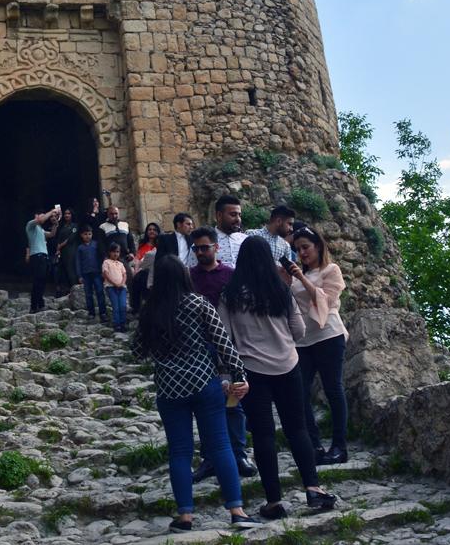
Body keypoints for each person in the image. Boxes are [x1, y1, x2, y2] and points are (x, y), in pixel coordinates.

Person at [131, 255, 258, 532]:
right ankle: (237, 511)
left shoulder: (150, 310)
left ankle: (185, 516)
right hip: (204, 383)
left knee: (179, 452)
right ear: (183, 276)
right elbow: (223, 342)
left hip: (169, 388)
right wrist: (239, 375)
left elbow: (137, 351)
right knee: (221, 446)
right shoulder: (198, 304)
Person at [218, 237, 337, 520]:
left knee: (263, 435)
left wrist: (226, 376)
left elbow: (224, 339)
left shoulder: (229, 295)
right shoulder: (281, 291)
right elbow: (298, 332)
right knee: (298, 429)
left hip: (252, 372)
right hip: (288, 366)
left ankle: (274, 502)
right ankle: (313, 488)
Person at [188, 227, 256, 481]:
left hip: (228, 345)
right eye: (196, 248)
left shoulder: (230, 275)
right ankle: (210, 458)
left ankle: (239, 453)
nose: (200, 252)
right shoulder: (190, 278)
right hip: (199, 348)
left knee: (234, 402)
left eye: (205, 247)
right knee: (206, 403)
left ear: (216, 247)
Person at [286, 227, 350, 465]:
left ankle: (339, 446)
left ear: (318, 246)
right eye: (298, 248)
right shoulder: (295, 277)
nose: (301, 252)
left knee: (333, 388)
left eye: (305, 247)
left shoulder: (330, 270)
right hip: (303, 339)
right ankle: (314, 445)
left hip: (328, 335)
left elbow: (327, 300)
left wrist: (301, 278)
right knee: (299, 394)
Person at [25, 207, 59, 313]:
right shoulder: (30, 225)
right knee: (37, 281)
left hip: (44, 257)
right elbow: (41, 220)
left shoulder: (40, 229)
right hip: (36, 256)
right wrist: (52, 211)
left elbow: (52, 234)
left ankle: (39, 303)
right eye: (39, 215)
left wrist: (55, 224)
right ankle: (34, 305)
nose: (42, 217)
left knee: (42, 281)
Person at [74, 225, 107, 322]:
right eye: (85, 234)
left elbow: (101, 258)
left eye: (89, 234)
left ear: (92, 234)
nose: (87, 236)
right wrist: (79, 275)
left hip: (97, 272)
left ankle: (103, 312)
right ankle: (91, 313)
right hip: (85, 274)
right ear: (81, 235)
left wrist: (103, 271)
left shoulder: (96, 245)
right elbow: (78, 262)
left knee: (100, 292)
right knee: (88, 294)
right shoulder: (80, 248)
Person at [130, 222, 160, 314]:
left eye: (154, 230)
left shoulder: (161, 244)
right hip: (144, 271)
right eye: (149, 229)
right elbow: (137, 259)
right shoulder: (142, 244)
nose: (152, 231)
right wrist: (135, 271)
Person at [102, 243, 129, 332]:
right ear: (109, 252)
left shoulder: (120, 264)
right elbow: (105, 274)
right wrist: (114, 283)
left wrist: (122, 283)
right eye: (113, 252)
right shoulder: (106, 262)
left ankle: (123, 324)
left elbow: (124, 275)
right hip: (111, 287)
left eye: (117, 252)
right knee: (116, 306)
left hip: (122, 287)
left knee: (122, 305)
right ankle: (117, 324)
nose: (115, 254)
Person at [214, 195, 247, 267]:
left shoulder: (246, 240)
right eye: (233, 214)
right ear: (219, 215)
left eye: (239, 215)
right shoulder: (205, 243)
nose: (238, 219)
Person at [54, 208, 79, 296]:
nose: (67, 215)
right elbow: (58, 238)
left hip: (71, 251)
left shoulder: (74, 226)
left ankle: (75, 290)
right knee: (63, 271)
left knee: (71, 270)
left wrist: (61, 245)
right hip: (63, 252)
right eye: (65, 214)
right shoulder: (63, 226)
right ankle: (65, 290)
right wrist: (58, 248)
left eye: (69, 213)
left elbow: (71, 237)